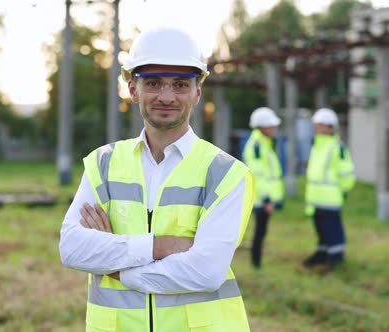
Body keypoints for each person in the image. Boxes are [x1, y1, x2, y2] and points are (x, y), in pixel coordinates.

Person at [59, 27, 254, 332]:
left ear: (197, 93)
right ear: (133, 90)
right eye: (153, 83)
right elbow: (72, 248)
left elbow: (206, 271)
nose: (166, 96)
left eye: (179, 84)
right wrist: (160, 246)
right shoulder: (104, 163)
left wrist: (119, 270)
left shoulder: (226, 173)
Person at [303, 108, 355, 268]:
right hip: (315, 198)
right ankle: (322, 254)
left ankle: (336, 259)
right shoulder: (316, 146)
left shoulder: (337, 147)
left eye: (320, 125)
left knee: (333, 230)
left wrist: (344, 190)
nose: (317, 129)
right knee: (321, 230)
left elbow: (346, 173)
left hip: (330, 198)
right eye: (316, 125)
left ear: (330, 127)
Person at [242, 107, 284, 269]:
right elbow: (257, 176)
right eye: (272, 126)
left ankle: (256, 263)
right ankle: (256, 264)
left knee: (261, 231)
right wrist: (267, 199)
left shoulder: (264, 144)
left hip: (265, 198)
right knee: (259, 232)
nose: (275, 129)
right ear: (262, 127)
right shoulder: (257, 147)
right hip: (262, 199)